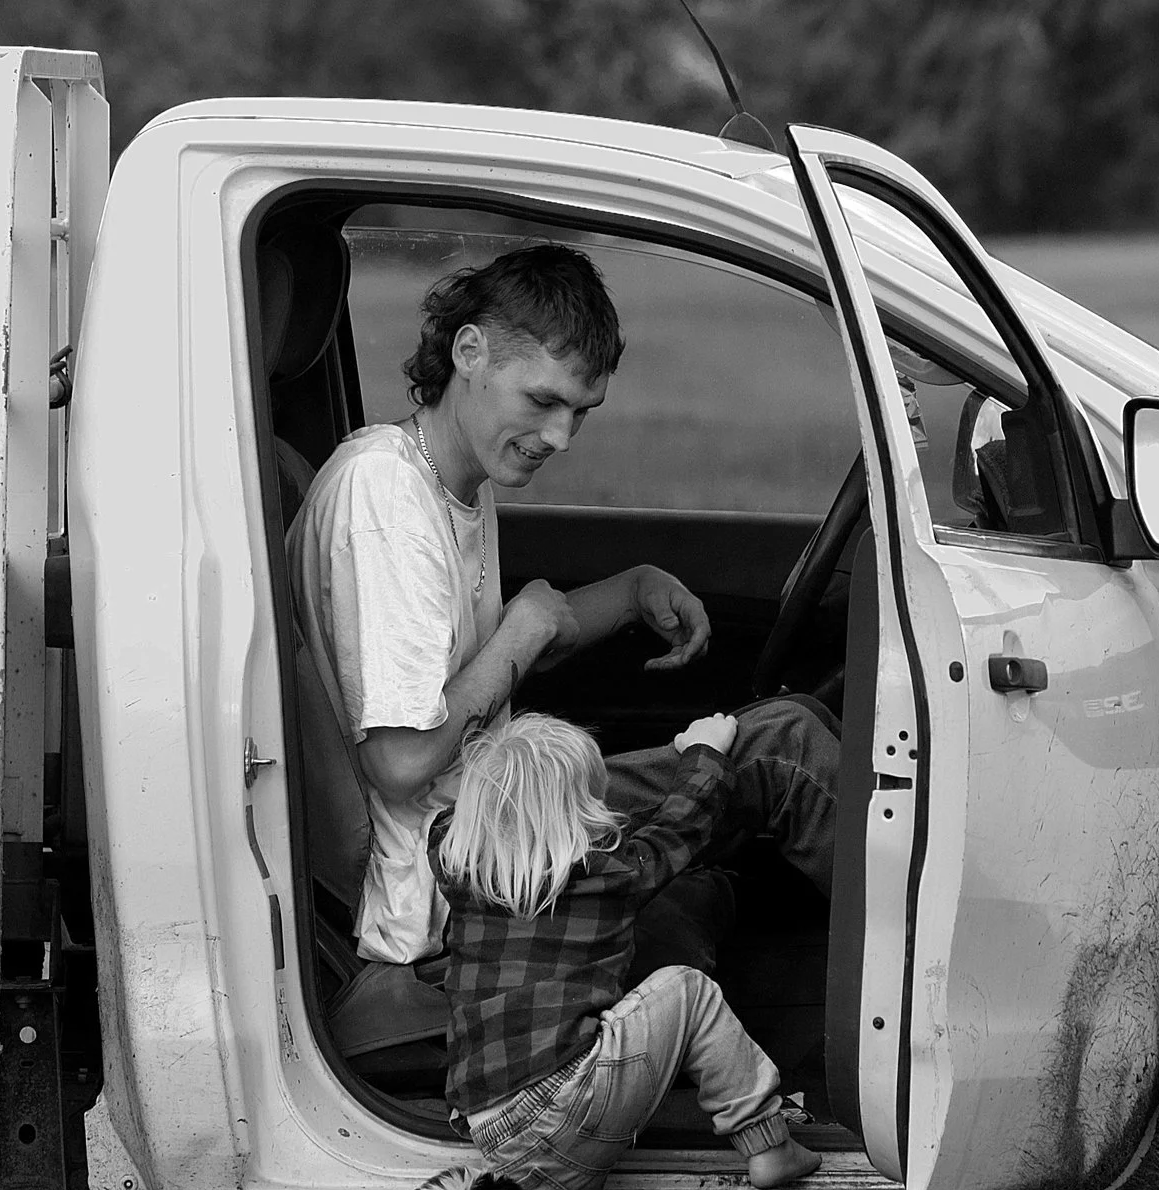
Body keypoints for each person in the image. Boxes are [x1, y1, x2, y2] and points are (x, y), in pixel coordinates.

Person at [289, 243, 837, 1045]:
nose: (562, 436)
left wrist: (633, 588)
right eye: (543, 400)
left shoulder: (450, 480)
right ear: (469, 351)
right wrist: (517, 635)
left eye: (580, 412)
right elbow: (401, 760)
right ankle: (938, 984)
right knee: (779, 749)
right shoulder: (385, 500)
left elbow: (501, 644)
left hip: (488, 825)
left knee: (772, 735)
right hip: (452, 875)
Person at [435, 710, 822, 1190]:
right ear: (580, 815)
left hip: (497, 1131)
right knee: (684, 989)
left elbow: (451, 817)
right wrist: (706, 754)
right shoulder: (608, 871)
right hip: (571, 1099)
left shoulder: (456, 860)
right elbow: (683, 828)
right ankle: (765, 1135)